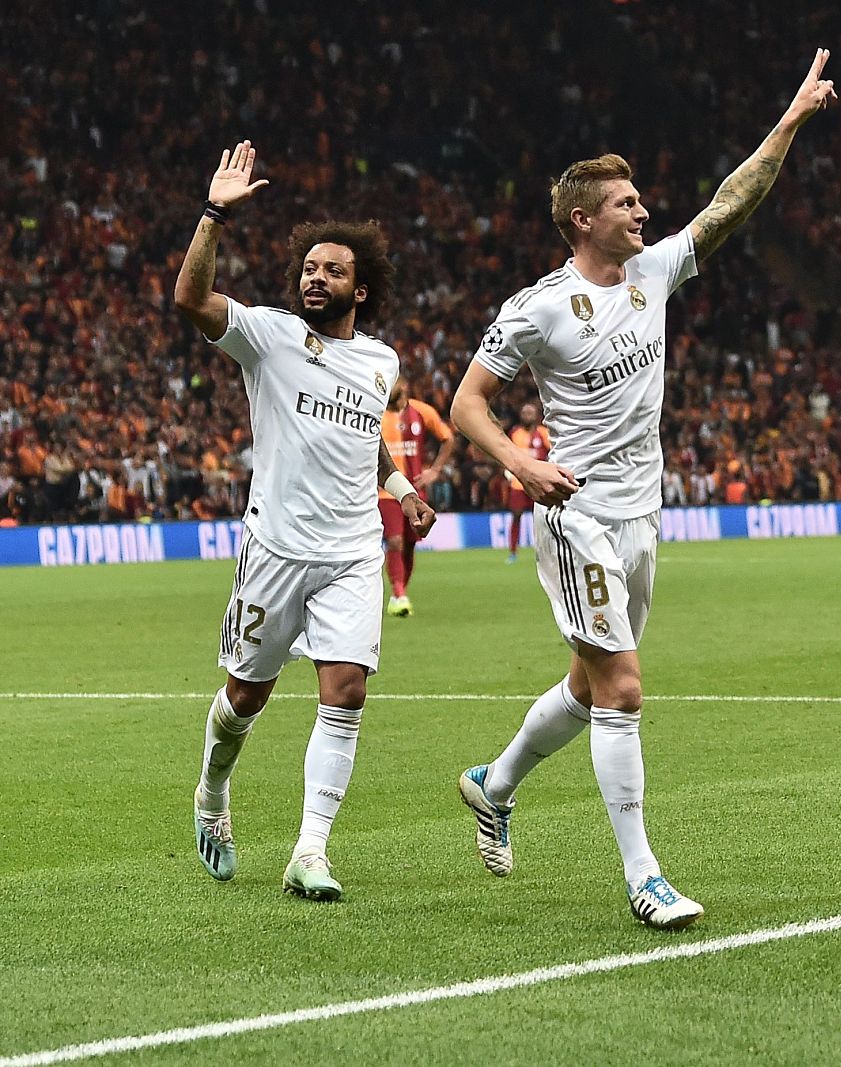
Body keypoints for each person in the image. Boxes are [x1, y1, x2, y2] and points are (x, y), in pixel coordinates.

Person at [449, 51, 838, 930]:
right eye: (626, 203)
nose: (645, 211)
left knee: (589, 689)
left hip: (642, 515)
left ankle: (493, 783)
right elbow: (465, 401)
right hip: (576, 516)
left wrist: (790, 120)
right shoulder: (536, 308)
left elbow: (730, 203)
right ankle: (643, 876)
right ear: (582, 220)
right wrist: (522, 463)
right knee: (623, 688)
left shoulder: (654, 272)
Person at [175, 141, 436, 901]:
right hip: (277, 547)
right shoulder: (270, 336)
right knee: (244, 699)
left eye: (332, 271)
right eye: (309, 268)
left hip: (353, 550)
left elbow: (366, 435)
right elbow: (191, 299)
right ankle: (212, 793)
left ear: (362, 288)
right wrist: (214, 215)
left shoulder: (380, 362)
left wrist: (402, 485)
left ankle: (310, 850)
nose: (314, 278)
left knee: (346, 689)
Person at [381, 376, 456, 615]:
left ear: (402, 385)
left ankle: (399, 593)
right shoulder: (377, 413)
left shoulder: (421, 411)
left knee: (410, 545)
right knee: (394, 541)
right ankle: (399, 593)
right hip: (384, 492)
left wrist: (434, 470)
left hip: (415, 490)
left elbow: (448, 438)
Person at [504, 401, 552, 563]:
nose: (527, 416)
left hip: (539, 483)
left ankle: (545, 552)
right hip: (518, 483)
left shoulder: (543, 433)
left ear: (537, 416)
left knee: (542, 519)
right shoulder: (515, 433)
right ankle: (512, 552)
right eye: (524, 413)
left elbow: (553, 453)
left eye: (530, 413)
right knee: (516, 516)